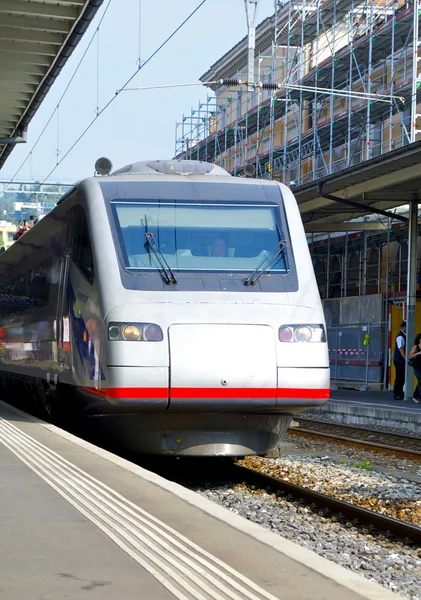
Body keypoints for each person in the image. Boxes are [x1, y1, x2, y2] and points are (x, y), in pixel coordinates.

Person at [393, 320, 406, 400]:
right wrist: (405, 358)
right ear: (403, 328)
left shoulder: (405, 335)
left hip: (401, 360)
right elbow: (400, 348)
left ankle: (400, 393)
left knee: (402, 377)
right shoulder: (400, 336)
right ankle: (397, 393)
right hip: (399, 360)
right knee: (399, 377)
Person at [408, 333, 421, 404]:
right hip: (417, 366)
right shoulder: (415, 347)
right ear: (419, 339)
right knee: (420, 380)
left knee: (420, 382)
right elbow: (410, 356)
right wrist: (418, 353)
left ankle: (415, 396)